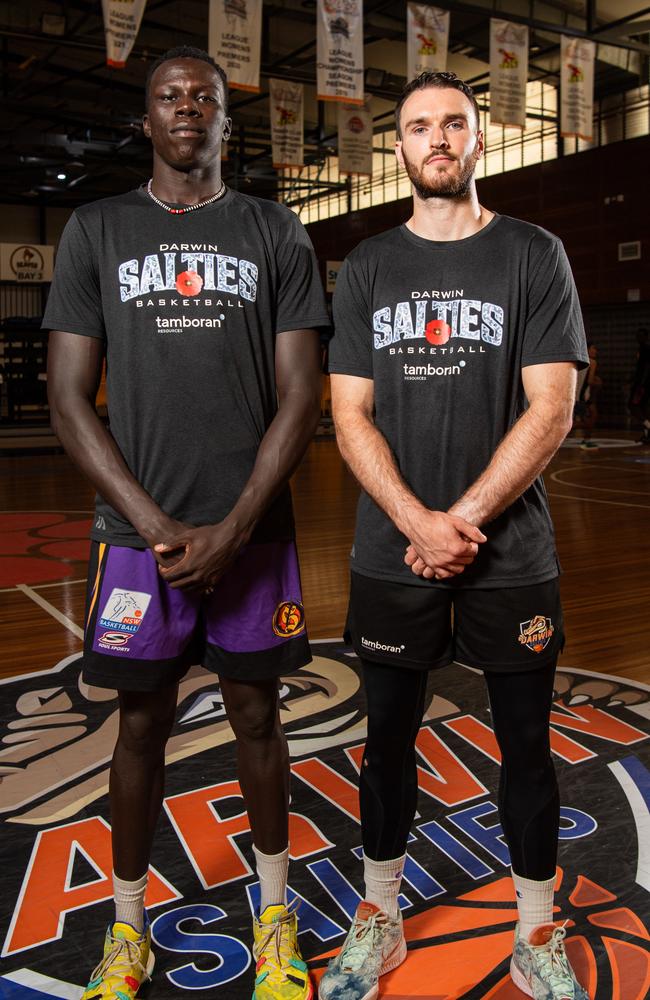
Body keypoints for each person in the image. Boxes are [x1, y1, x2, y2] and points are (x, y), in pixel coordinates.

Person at [45, 46, 329, 1000]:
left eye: (204, 97)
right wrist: (159, 525)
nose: (187, 109)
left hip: (256, 532)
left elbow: (300, 397)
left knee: (257, 715)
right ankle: (128, 934)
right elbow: (67, 400)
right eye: (169, 96)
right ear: (147, 119)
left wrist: (236, 525)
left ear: (223, 121)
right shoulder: (95, 229)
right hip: (139, 540)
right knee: (139, 725)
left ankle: (275, 917)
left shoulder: (275, 231)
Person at [321, 71, 589, 1000]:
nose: (437, 139)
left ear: (479, 140)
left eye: (454, 125)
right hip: (392, 552)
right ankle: (381, 914)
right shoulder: (365, 267)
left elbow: (551, 407)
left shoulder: (533, 254)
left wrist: (460, 523)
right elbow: (349, 414)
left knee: (526, 749)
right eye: (418, 126)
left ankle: (534, 929)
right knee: (385, 740)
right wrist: (414, 522)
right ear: (396, 146)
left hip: (508, 556)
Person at [574, 342, 602, 450]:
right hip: (582, 396)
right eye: (593, 348)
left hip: (577, 395)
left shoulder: (579, 361)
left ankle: (587, 440)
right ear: (587, 349)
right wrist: (598, 382)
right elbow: (590, 381)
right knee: (586, 421)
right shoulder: (592, 362)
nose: (596, 351)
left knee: (593, 416)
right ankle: (556, 433)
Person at [629, 327, 650, 445]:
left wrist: (641, 384)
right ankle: (647, 434)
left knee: (633, 406)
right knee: (642, 408)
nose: (638, 338)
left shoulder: (646, 349)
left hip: (642, 385)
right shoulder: (641, 349)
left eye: (641, 335)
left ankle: (648, 426)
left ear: (646, 337)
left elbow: (646, 368)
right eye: (637, 335)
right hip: (641, 383)